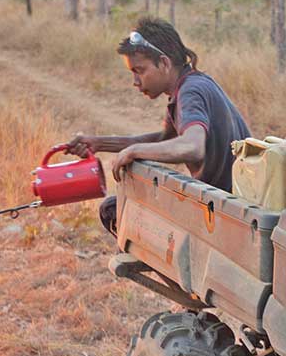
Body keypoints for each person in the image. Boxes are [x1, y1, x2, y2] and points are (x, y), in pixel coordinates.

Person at [63, 18, 251, 235]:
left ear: (164, 63)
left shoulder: (190, 92)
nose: (135, 81)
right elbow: (165, 141)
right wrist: (99, 143)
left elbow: (192, 146)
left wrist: (134, 151)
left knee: (112, 209)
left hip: (223, 212)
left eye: (140, 70)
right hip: (224, 204)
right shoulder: (191, 85)